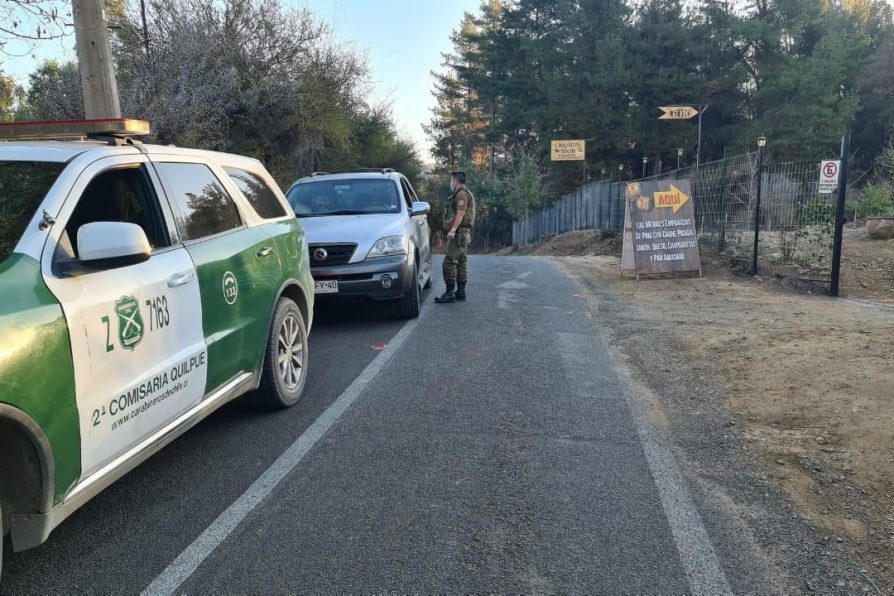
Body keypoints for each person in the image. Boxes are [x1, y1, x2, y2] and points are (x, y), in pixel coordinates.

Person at [435, 171, 476, 304]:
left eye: (452, 180)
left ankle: (449, 293)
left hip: (459, 233)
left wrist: (452, 230)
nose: (451, 183)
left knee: (449, 262)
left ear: (456, 181)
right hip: (462, 233)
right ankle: (460, 292)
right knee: (461, 262)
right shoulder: (461, 193)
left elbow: (460, 214)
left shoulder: (462, 194)